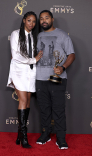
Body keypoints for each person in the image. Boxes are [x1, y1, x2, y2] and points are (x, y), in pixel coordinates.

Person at [36, 10, 75, 149]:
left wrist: (63, 67)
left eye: (46, 18)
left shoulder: (63, 35)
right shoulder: (38, 36)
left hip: (57, 78)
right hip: (40, 79)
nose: (44, 21)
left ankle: (61, 139)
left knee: (58, 109)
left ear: (52, 19)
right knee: (44, 109)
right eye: (41, 18)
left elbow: (71, 54)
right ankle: (45, 135)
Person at [7, 11, 43, 148]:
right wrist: (33, 59)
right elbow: (15, 55)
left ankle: (19, 135)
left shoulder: (33, 37)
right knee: (23, 100)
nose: (32, 24)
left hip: (30, 73)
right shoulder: (16, 34)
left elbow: (32, 55)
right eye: (29, 20)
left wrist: (36, 59)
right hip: (19, 72)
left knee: (27, 101)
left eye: (34, 21)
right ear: (23, 20)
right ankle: (24, 138)